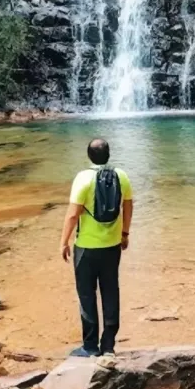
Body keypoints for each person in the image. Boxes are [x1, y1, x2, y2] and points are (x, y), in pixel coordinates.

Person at [60, 138, 134, 357]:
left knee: (86, 295)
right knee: (111, 291)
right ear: (109, 154)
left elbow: (73, 214)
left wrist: (63, 241)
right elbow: (128, 206)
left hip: (86, 247)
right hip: (112, 246)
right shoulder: (122, 176)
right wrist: (125, 233)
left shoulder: (83, 178)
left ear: (89, 156)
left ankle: (90, 347)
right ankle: (109, 345)